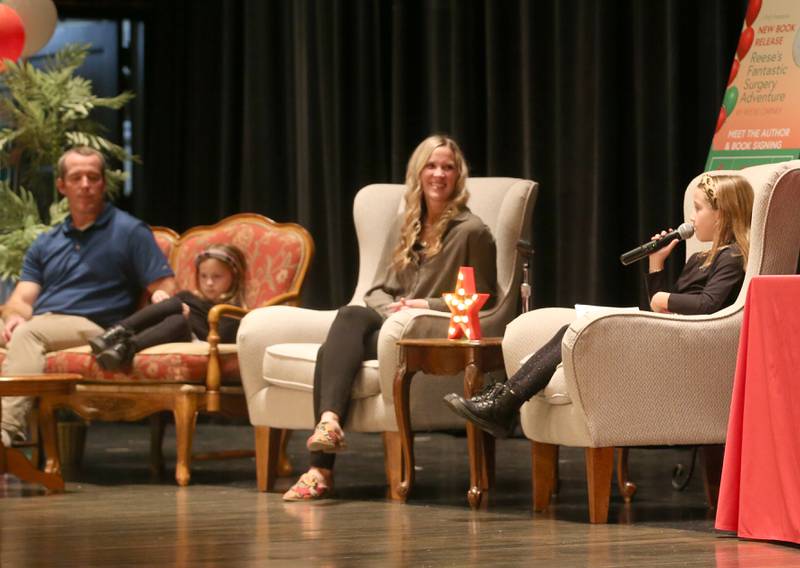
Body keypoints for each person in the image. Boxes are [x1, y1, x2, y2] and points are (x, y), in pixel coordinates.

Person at [444, 173, 755, 438]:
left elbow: (707, 305)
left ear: (723, 213)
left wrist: (666, 298)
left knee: (572, 329)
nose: (690, 218)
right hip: (670, 335)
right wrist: (656, 266)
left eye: (698, 209)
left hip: (686, 346)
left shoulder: (733, 257)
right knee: (571, 329)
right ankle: (504, 400)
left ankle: (504, 403)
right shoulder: (702, 258)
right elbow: (660, 306)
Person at [282, 134, 498, 501]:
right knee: (351, 315)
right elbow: (378, 288)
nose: (439, 174)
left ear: (458, 177)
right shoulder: (405, 224)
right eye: (431, 165)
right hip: (391, 321)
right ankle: (329, 425)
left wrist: (423, 306)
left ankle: (319, 470)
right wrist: (394, 309)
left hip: (423, 330)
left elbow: (486, 299)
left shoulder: (472, 231)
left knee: (327, 354)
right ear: (418, 172)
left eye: (448, 167)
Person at [0, 146, 176, 447]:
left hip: (96, 328)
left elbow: (166, 288)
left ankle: (5, 431)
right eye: (76, 177)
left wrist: (160, 296)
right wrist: (14, 316)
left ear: (103, 184)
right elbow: (21, 300)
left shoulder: (129, 231)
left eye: (93, 177)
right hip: (45, 324)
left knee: (29, 334)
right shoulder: (47, 241)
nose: (85, 184)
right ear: (61, 185)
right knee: (26, 329)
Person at [89, 244, 247, 370]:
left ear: (234, 277)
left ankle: (126, 348)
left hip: (198, 340)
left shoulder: (230, 311)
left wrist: (188, 319)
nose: (209, 283)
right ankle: (115, 336)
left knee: (180, 320)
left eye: (217, 276)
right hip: (168, 330)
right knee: (176, 307)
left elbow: (221, 339)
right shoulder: (188, 297)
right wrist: (159, 300)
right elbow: (160, 316)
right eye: (203, 276)